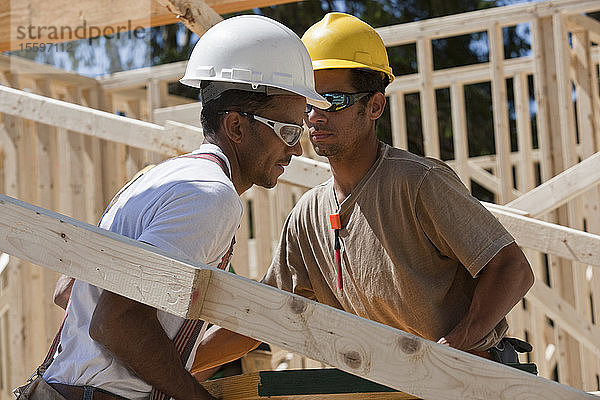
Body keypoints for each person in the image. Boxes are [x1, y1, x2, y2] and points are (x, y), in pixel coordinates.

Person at [36, 15, 329, 400]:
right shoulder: (210, 196)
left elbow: (68, 290)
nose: (296, 147)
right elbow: (116, 322)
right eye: (288, 131)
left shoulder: (159, 178)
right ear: (237, 127)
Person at [260, 13, 534, 360]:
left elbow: (512, 269)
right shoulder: (307, 216)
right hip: (385, 386)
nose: (316, 116)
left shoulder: (417, 183)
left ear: (374, 106)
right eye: (309, 101)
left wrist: (449, 351)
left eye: (333, 100)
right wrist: (182, 371)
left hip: (466, 382)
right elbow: (261, 312)